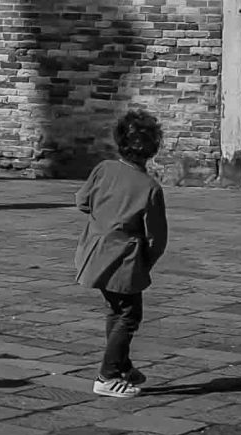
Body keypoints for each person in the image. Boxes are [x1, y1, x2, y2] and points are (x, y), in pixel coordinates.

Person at [72, 108, 169, 399]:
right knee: (129, 314)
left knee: (116, 310)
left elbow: (81, 202)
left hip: (93, 251)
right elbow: (156, 238)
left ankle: (122, 365)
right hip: (125, 258)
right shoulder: (151, 188)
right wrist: (145, 263)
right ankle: (108, 374)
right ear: (153, 149)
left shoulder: (103, 169)